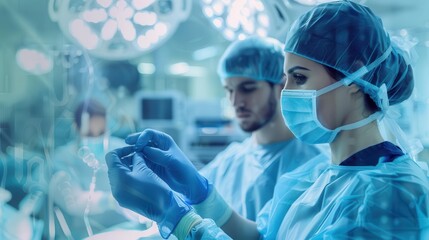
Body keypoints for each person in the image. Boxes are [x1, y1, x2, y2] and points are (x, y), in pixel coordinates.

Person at [105, 1, 429, 239]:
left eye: (299, 78)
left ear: (355, 77)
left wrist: (177, 218)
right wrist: (199, 191)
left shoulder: (390, 196)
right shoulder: (318, 175)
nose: (287, 94)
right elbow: (261, 237)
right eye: (286, 78)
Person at [198, 36, 328, 221]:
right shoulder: (228, 163)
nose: (236, 102)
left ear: (282, 87)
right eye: (229, 90)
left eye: (248, 88)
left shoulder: (316, 166)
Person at [50, 98, 140, 239]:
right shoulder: (62, 159)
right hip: (83, 234)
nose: (96, 139)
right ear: (76, 127)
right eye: (90, 134)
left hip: (124, 230)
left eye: (101, 132)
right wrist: (111, 201)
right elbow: (74, 202)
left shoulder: (122, 150)